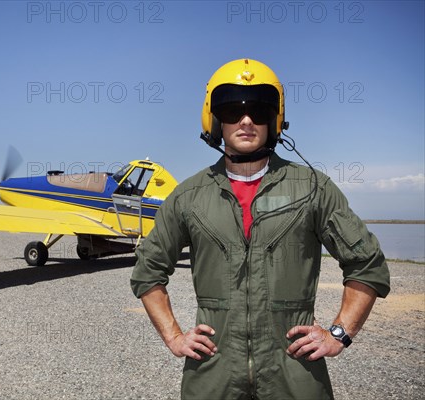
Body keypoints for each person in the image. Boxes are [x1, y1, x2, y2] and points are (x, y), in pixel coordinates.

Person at [130, 58, 391, 399]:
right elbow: (148, 271)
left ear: (275, 118)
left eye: (259, 109)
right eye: (231, 110)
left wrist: (339, 333)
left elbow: (367, 264)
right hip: (213, 375)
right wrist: (174, 337)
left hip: (295, 374)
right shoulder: (189, 197)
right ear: (213, 119)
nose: (246, 120)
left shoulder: (312, 188)